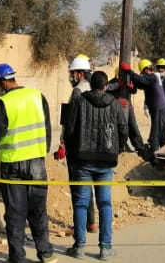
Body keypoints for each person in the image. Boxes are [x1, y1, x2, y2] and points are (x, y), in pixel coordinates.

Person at [0, 63, 55, 263]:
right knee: (38, 210)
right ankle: (46, 254)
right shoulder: (37, 96)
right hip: (36, 163)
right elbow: (47, 129)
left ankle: (17, 257)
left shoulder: (5, 103)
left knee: (15, 214)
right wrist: (42, 152)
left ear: (3, 82)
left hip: (12, 165)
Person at [62, 70, 127, 260]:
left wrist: (73, 152)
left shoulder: (80, 101)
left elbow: (70, 130)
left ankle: (79, 246)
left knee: (81, 203)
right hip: (106, 161)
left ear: (91, 85)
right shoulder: (115, 104)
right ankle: (106, 248)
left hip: (83, 160)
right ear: (106, 86)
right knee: (105, 203)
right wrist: (117, 149)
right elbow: (123, 130)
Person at [55, 54, 97, 233]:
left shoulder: (78, 91)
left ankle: (79, 225)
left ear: (79, 74)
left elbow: (69, 121)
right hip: (92, 144)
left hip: (76, 145)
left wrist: (63, 142)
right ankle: (92, 222)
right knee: (87, 184)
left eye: (72, 73)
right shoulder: (96, 90)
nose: (71, 77)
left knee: (77, 186)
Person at [120, 59, 165, 154]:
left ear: (146, 70)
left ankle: (155, 158)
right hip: (160, 111)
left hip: (160, 111)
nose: (142, 75)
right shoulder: (152, 79)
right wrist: (133, 86)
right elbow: (140, 84)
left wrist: (129, 71)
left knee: (154, 137)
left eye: (142, 73)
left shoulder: (153, 77)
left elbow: (140, 80)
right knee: (163, 136)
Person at [106, 77, 145, 153]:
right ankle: (122, 148)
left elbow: (134, 91)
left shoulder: (129, 80)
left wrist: (132, 88)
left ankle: (140, 147)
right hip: (120, 107)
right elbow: (106, 91)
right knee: (123, 128)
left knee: (133, 126)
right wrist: (116, 99)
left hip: (128, 105)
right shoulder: (113, 81)